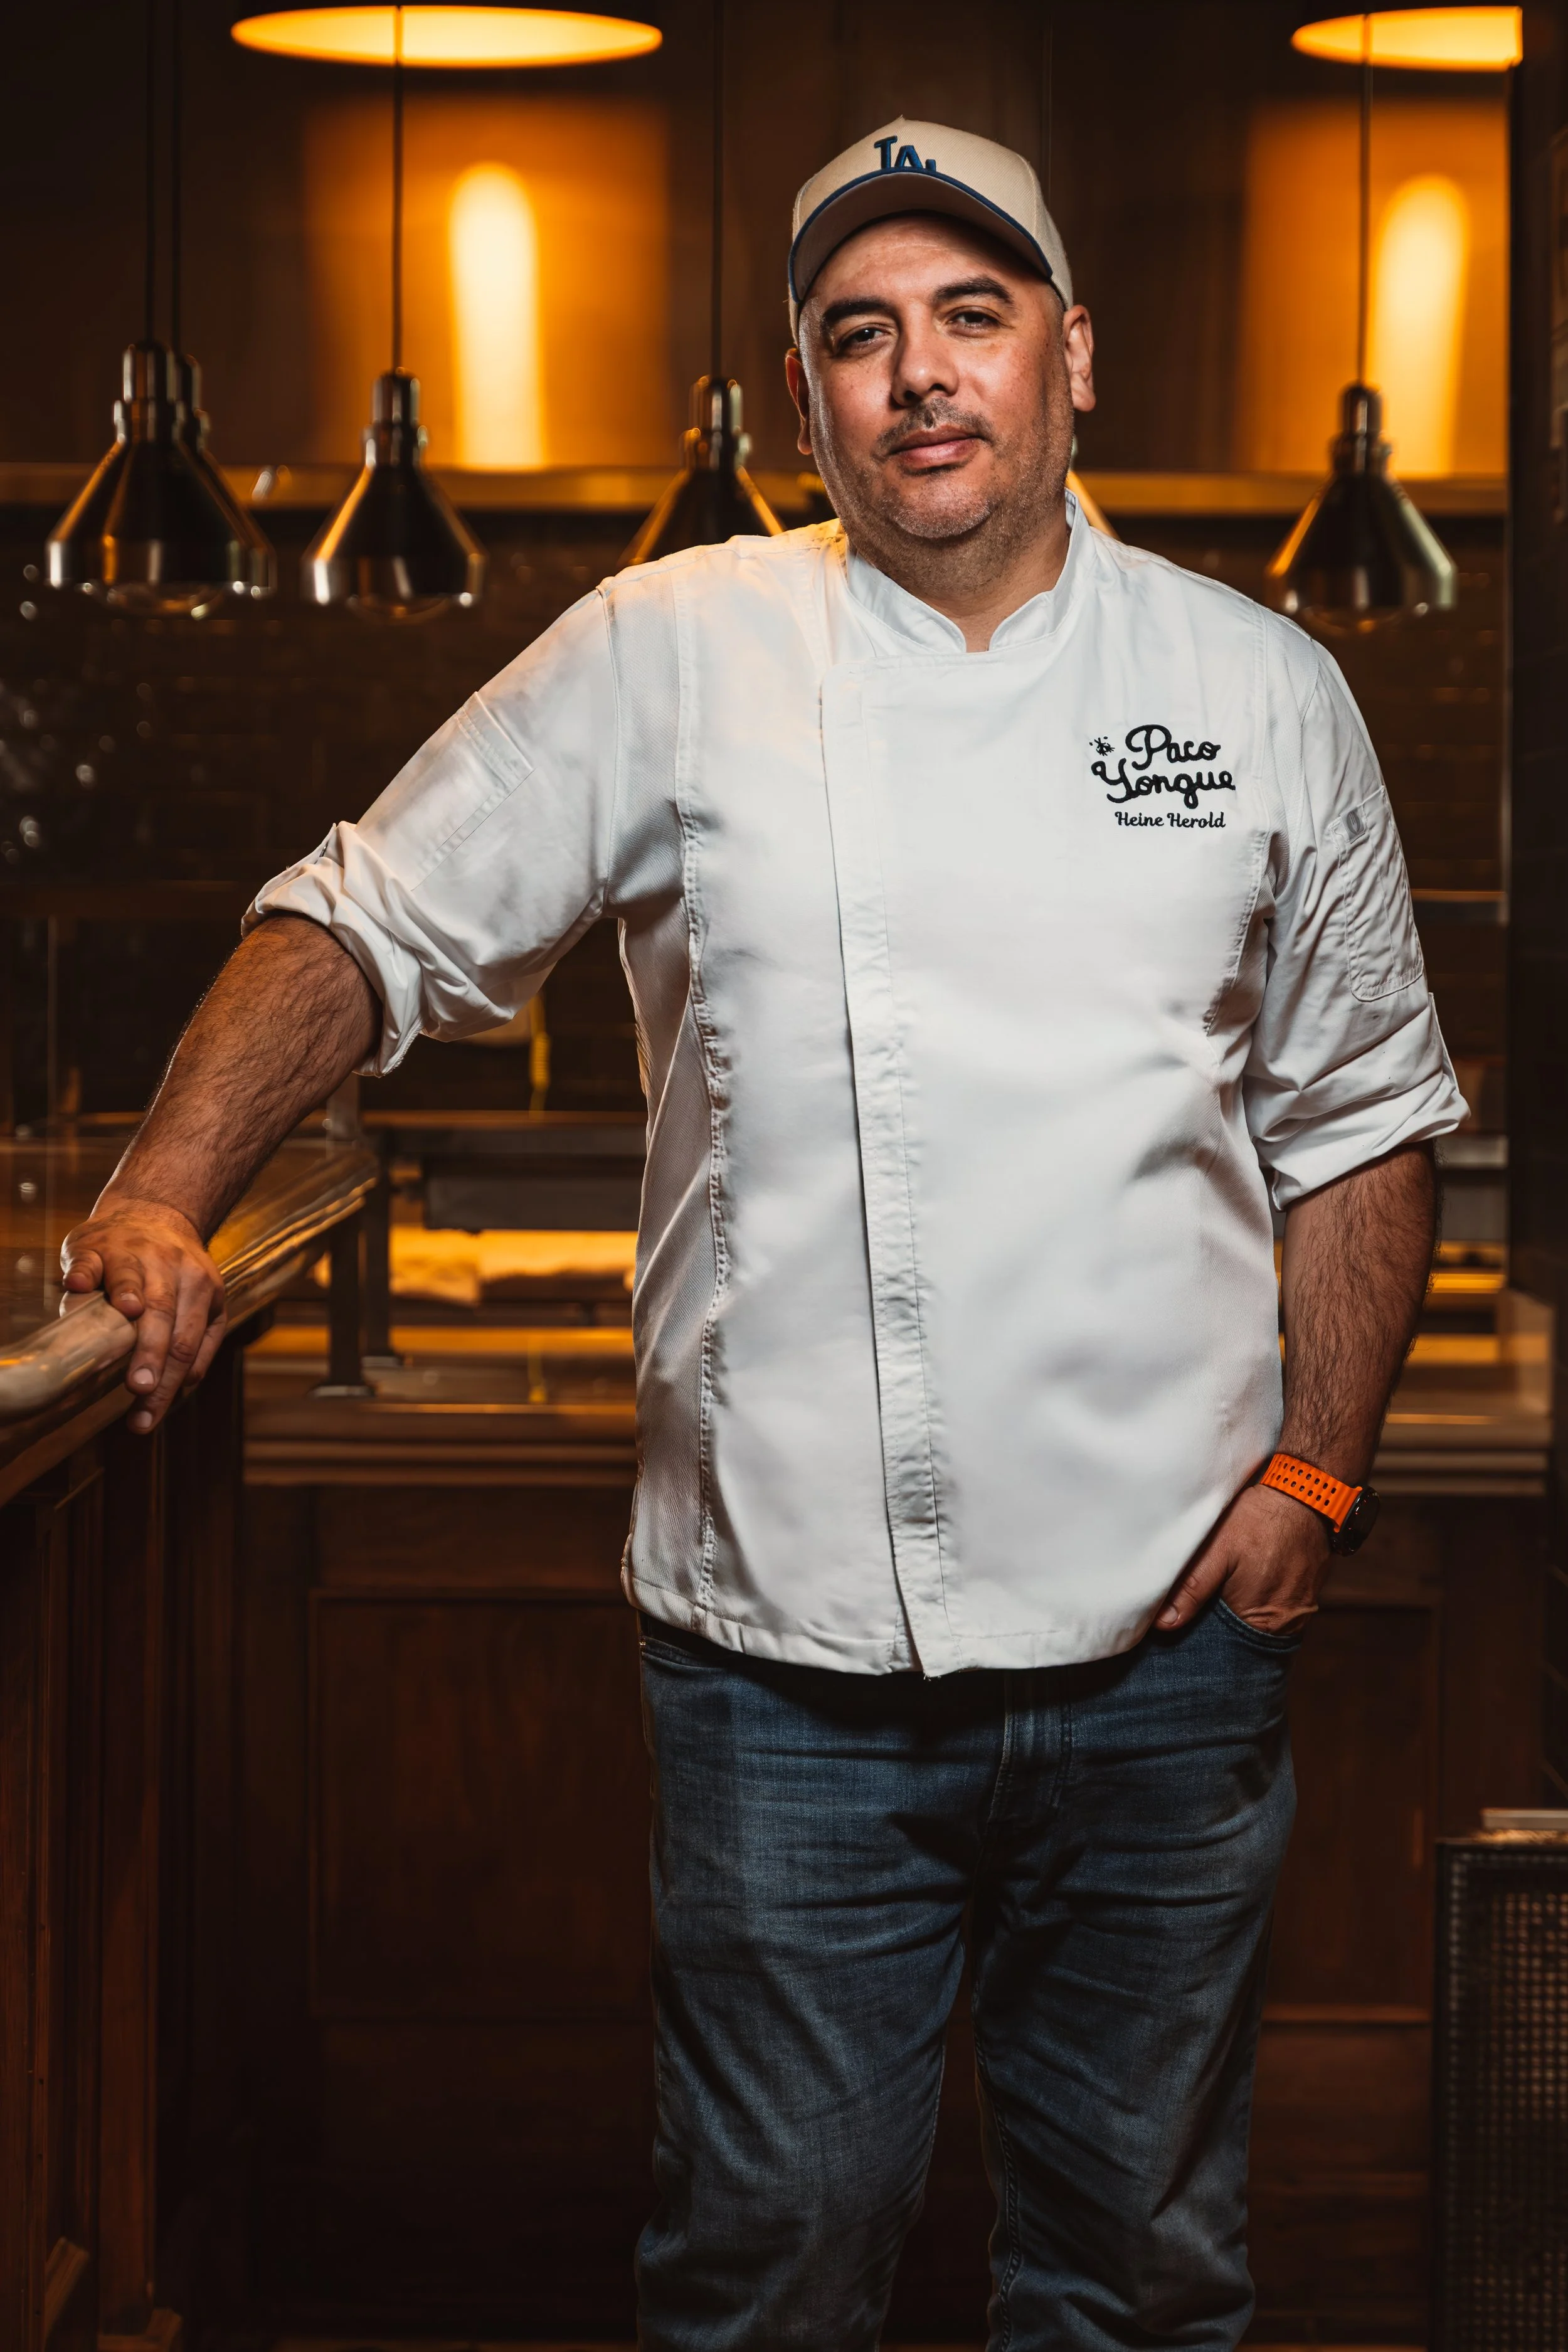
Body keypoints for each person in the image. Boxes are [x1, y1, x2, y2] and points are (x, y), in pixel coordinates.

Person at [63, 117, 1459, 2352]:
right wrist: (157, 1186)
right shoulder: (670, 648)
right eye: (859, 334)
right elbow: (364, 918)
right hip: (782, 1685)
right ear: (807, 398)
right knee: (769, 2272)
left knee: (1139, 2274)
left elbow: (1363, 1118)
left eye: (970, 319)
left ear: (1071, 359)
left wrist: (1314, 1471)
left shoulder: (1258, 689)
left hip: (1171, 1662)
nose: (919, 374)